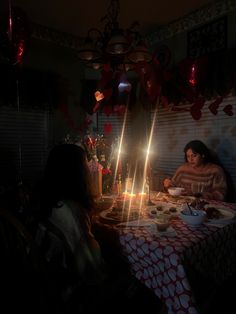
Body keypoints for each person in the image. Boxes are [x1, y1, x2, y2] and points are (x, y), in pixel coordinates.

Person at [163, 140, 227, 201]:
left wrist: (197, 195)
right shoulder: (183, 169)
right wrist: (168, 185)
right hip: (183, 205)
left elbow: (221, 194)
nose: (191, 159)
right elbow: (173, 187)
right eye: (188, 156)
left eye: (194, 156)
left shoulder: (215, 170)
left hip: (205, 206)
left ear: (203, 155)